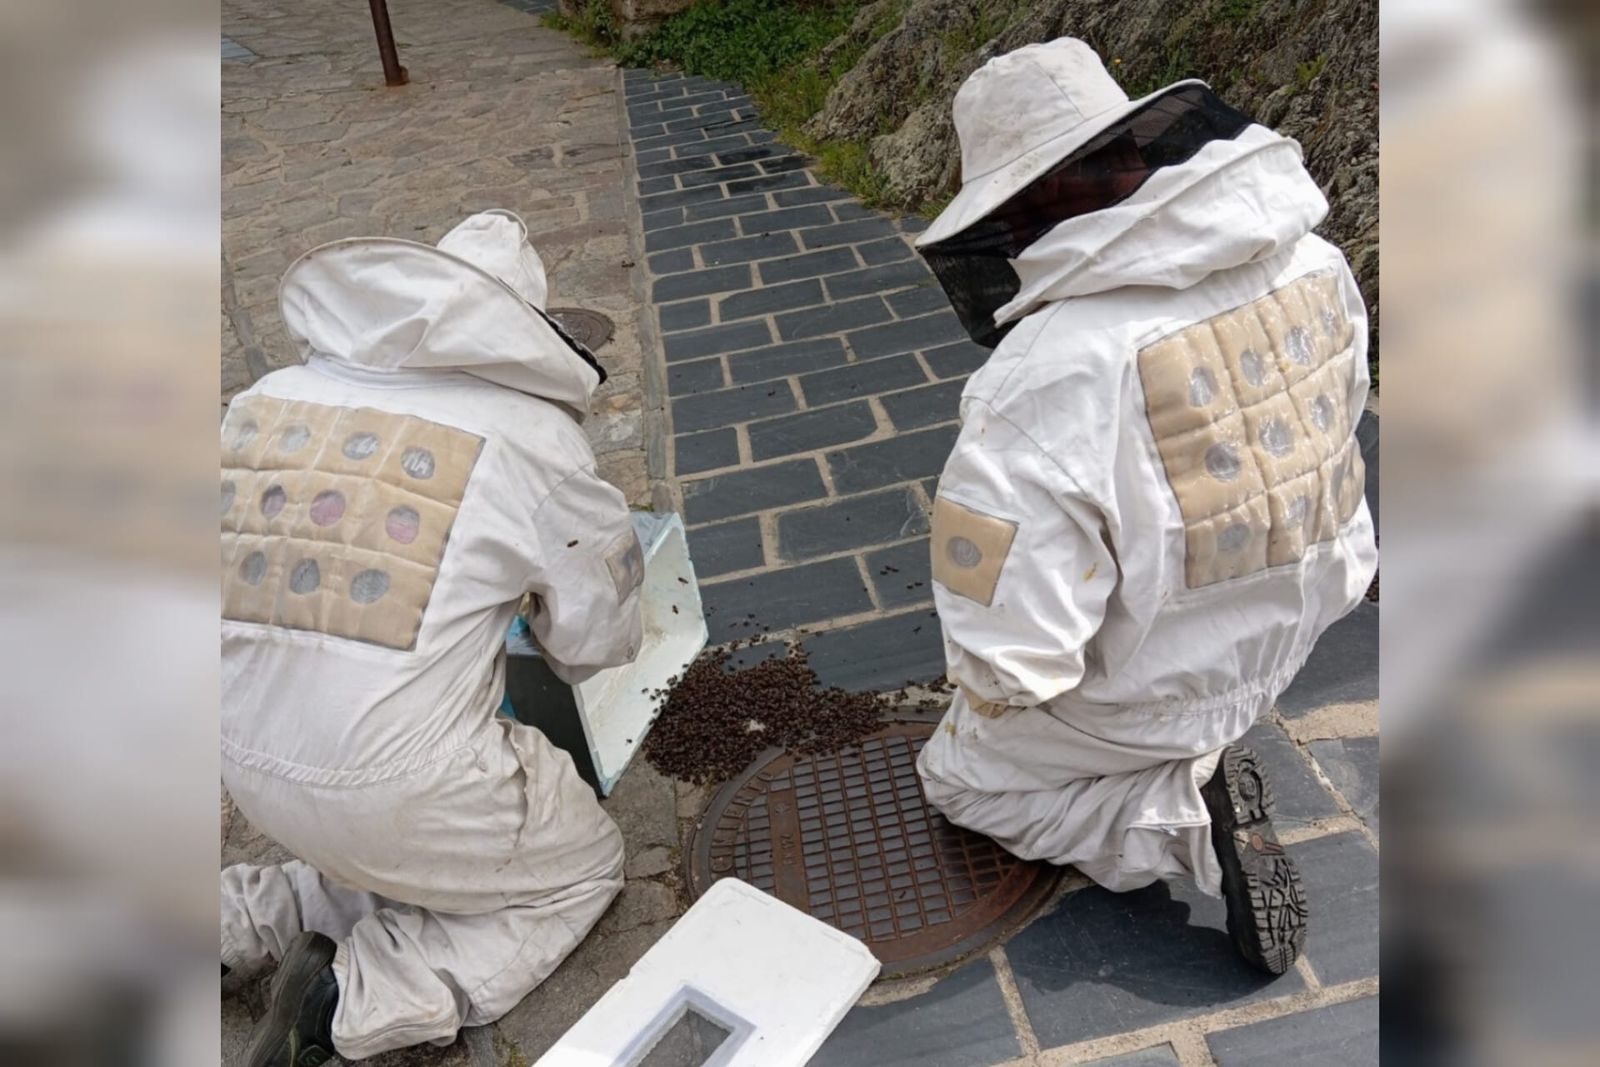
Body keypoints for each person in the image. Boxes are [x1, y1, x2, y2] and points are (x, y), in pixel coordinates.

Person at [913, 39, 1376, 974]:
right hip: (1305, 612)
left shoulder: (1048, 373)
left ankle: (1173, 816)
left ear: (1032, 201)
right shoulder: (1317, 258)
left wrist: (998, 702)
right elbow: (1348, 410)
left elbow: (1015, 651)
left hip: (1166, 685)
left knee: (964, 781)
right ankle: (1199, 743)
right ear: (1136, 151)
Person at [220, 210, 643, 1063]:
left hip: (236, 749)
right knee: (579, 866)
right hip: (395, 783)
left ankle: (232, 918)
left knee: (382, 846)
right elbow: (594, 641)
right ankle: (350, 999)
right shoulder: (534, 440)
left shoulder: (265, 400)